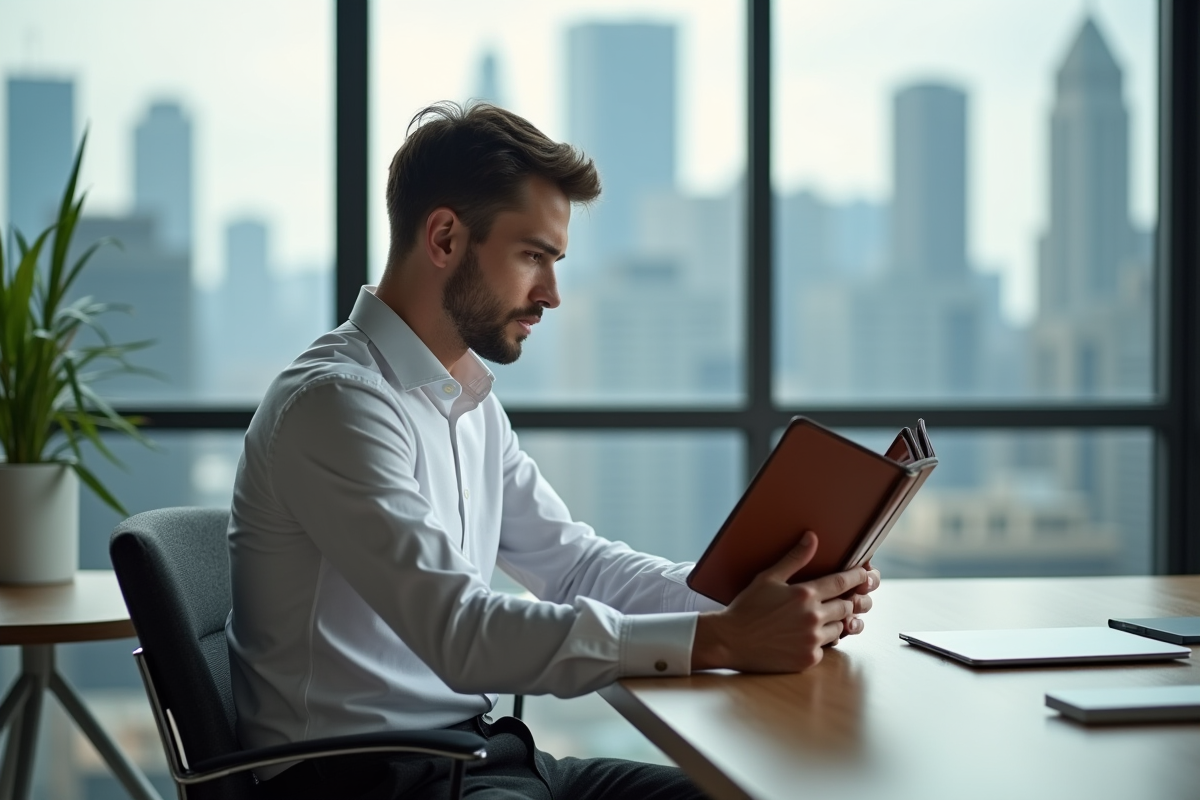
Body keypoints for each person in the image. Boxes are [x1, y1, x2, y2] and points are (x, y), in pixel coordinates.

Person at [226, 101, 881, 800]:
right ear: (444, 237)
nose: (553, 294)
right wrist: (720, 639)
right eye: (533, 256)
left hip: (477, 758)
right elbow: (461, 631)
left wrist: (741, 599)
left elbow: (572, 565)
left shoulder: (464, 399)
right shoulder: (337, 404)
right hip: (365, 781)